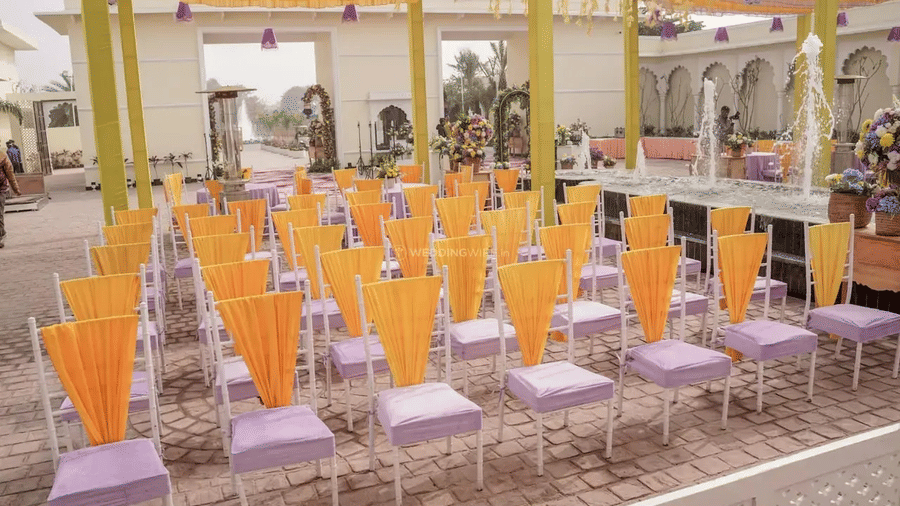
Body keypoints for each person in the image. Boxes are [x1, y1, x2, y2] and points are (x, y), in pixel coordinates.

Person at [0, 149, 22, 248]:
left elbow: (10, 173)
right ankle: (2, 231)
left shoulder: (2, 156)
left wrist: (16, 189)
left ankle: (0, 236)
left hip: (1, 189)